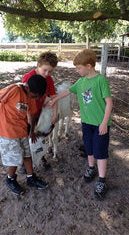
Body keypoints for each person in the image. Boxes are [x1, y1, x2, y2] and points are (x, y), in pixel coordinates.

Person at [48, 48, 113, 200]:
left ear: (89, 66)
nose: (77, 71)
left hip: (100, 124)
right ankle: (91, 168)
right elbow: (68, 91)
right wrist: (54, 99)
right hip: (86, 123)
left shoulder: (100, 80)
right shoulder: (81, 81)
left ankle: (102, 180)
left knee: (100, 151)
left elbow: (109, 103)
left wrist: (104, 122)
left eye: (79, 68)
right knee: (89, 148)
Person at [0, 75, 48, 195]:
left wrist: (32, 131)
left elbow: (32, 114)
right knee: (15, 158)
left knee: (27, 155)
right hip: (7, 131)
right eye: (34, 96)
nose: (33, 98)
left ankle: (31, 178)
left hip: (22, 131)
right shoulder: (14, 89)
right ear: (28, 87)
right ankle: (10, 179)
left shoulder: (31, 97)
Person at [21, 51, 58, 170]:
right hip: (27, 114)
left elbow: (53, 97)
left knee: (39, 136)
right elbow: (23, 98)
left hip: (39, 113)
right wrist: (28, 118)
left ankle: (41, 157)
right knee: (27, 137)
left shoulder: (49, 80)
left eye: (50, 71)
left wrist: (55, 115)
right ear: (38, 65)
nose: (47, 74)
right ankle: (25, 161)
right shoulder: (28, 77)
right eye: (45, 70)